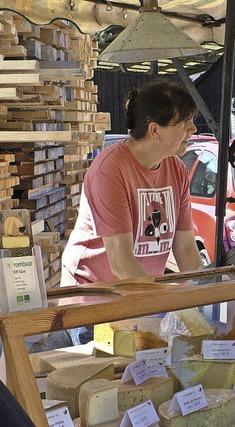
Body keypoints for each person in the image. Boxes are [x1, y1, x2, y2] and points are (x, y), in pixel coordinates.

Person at [54, 79, 202, 347]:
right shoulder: (110, 170)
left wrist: (203, 298)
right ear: (155, 129)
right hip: (95, 302)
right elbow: (121, 261)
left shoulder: (177, 170)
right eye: (185, 122)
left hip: (141, 298)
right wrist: (165, 301)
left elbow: (186, 249)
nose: (193, 129)